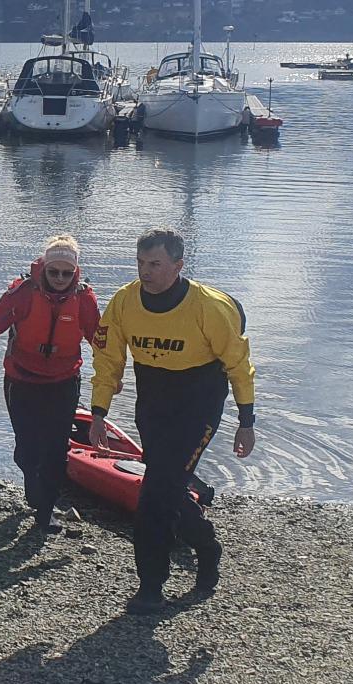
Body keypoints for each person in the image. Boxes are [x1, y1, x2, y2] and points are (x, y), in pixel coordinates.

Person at [89, 229, 256, 615]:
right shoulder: (124, 302)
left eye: (155, 264)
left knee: (154, 496)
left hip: (198, 404)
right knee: (167, 486)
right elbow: (108, 361)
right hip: (153, 402)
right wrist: (99, 413)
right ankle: (207, 547)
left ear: (178, 266)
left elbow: (239, 366)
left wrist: (246, 421)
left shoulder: (209, 308)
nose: (145, 272)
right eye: (141, 263)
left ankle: (150, 587)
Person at [0, 236, 101, 532]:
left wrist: (110, 381)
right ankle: (30, 475)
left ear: (75, 273)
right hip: (22, 379)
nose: (61, 279)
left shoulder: (84, 299)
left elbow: (101, 343)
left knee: (55, 449)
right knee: (28, 449)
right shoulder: (23, 293)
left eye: (68, 273)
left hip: (63, 381)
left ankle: (45, 510)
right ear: (44, 269)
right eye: (54, 272)